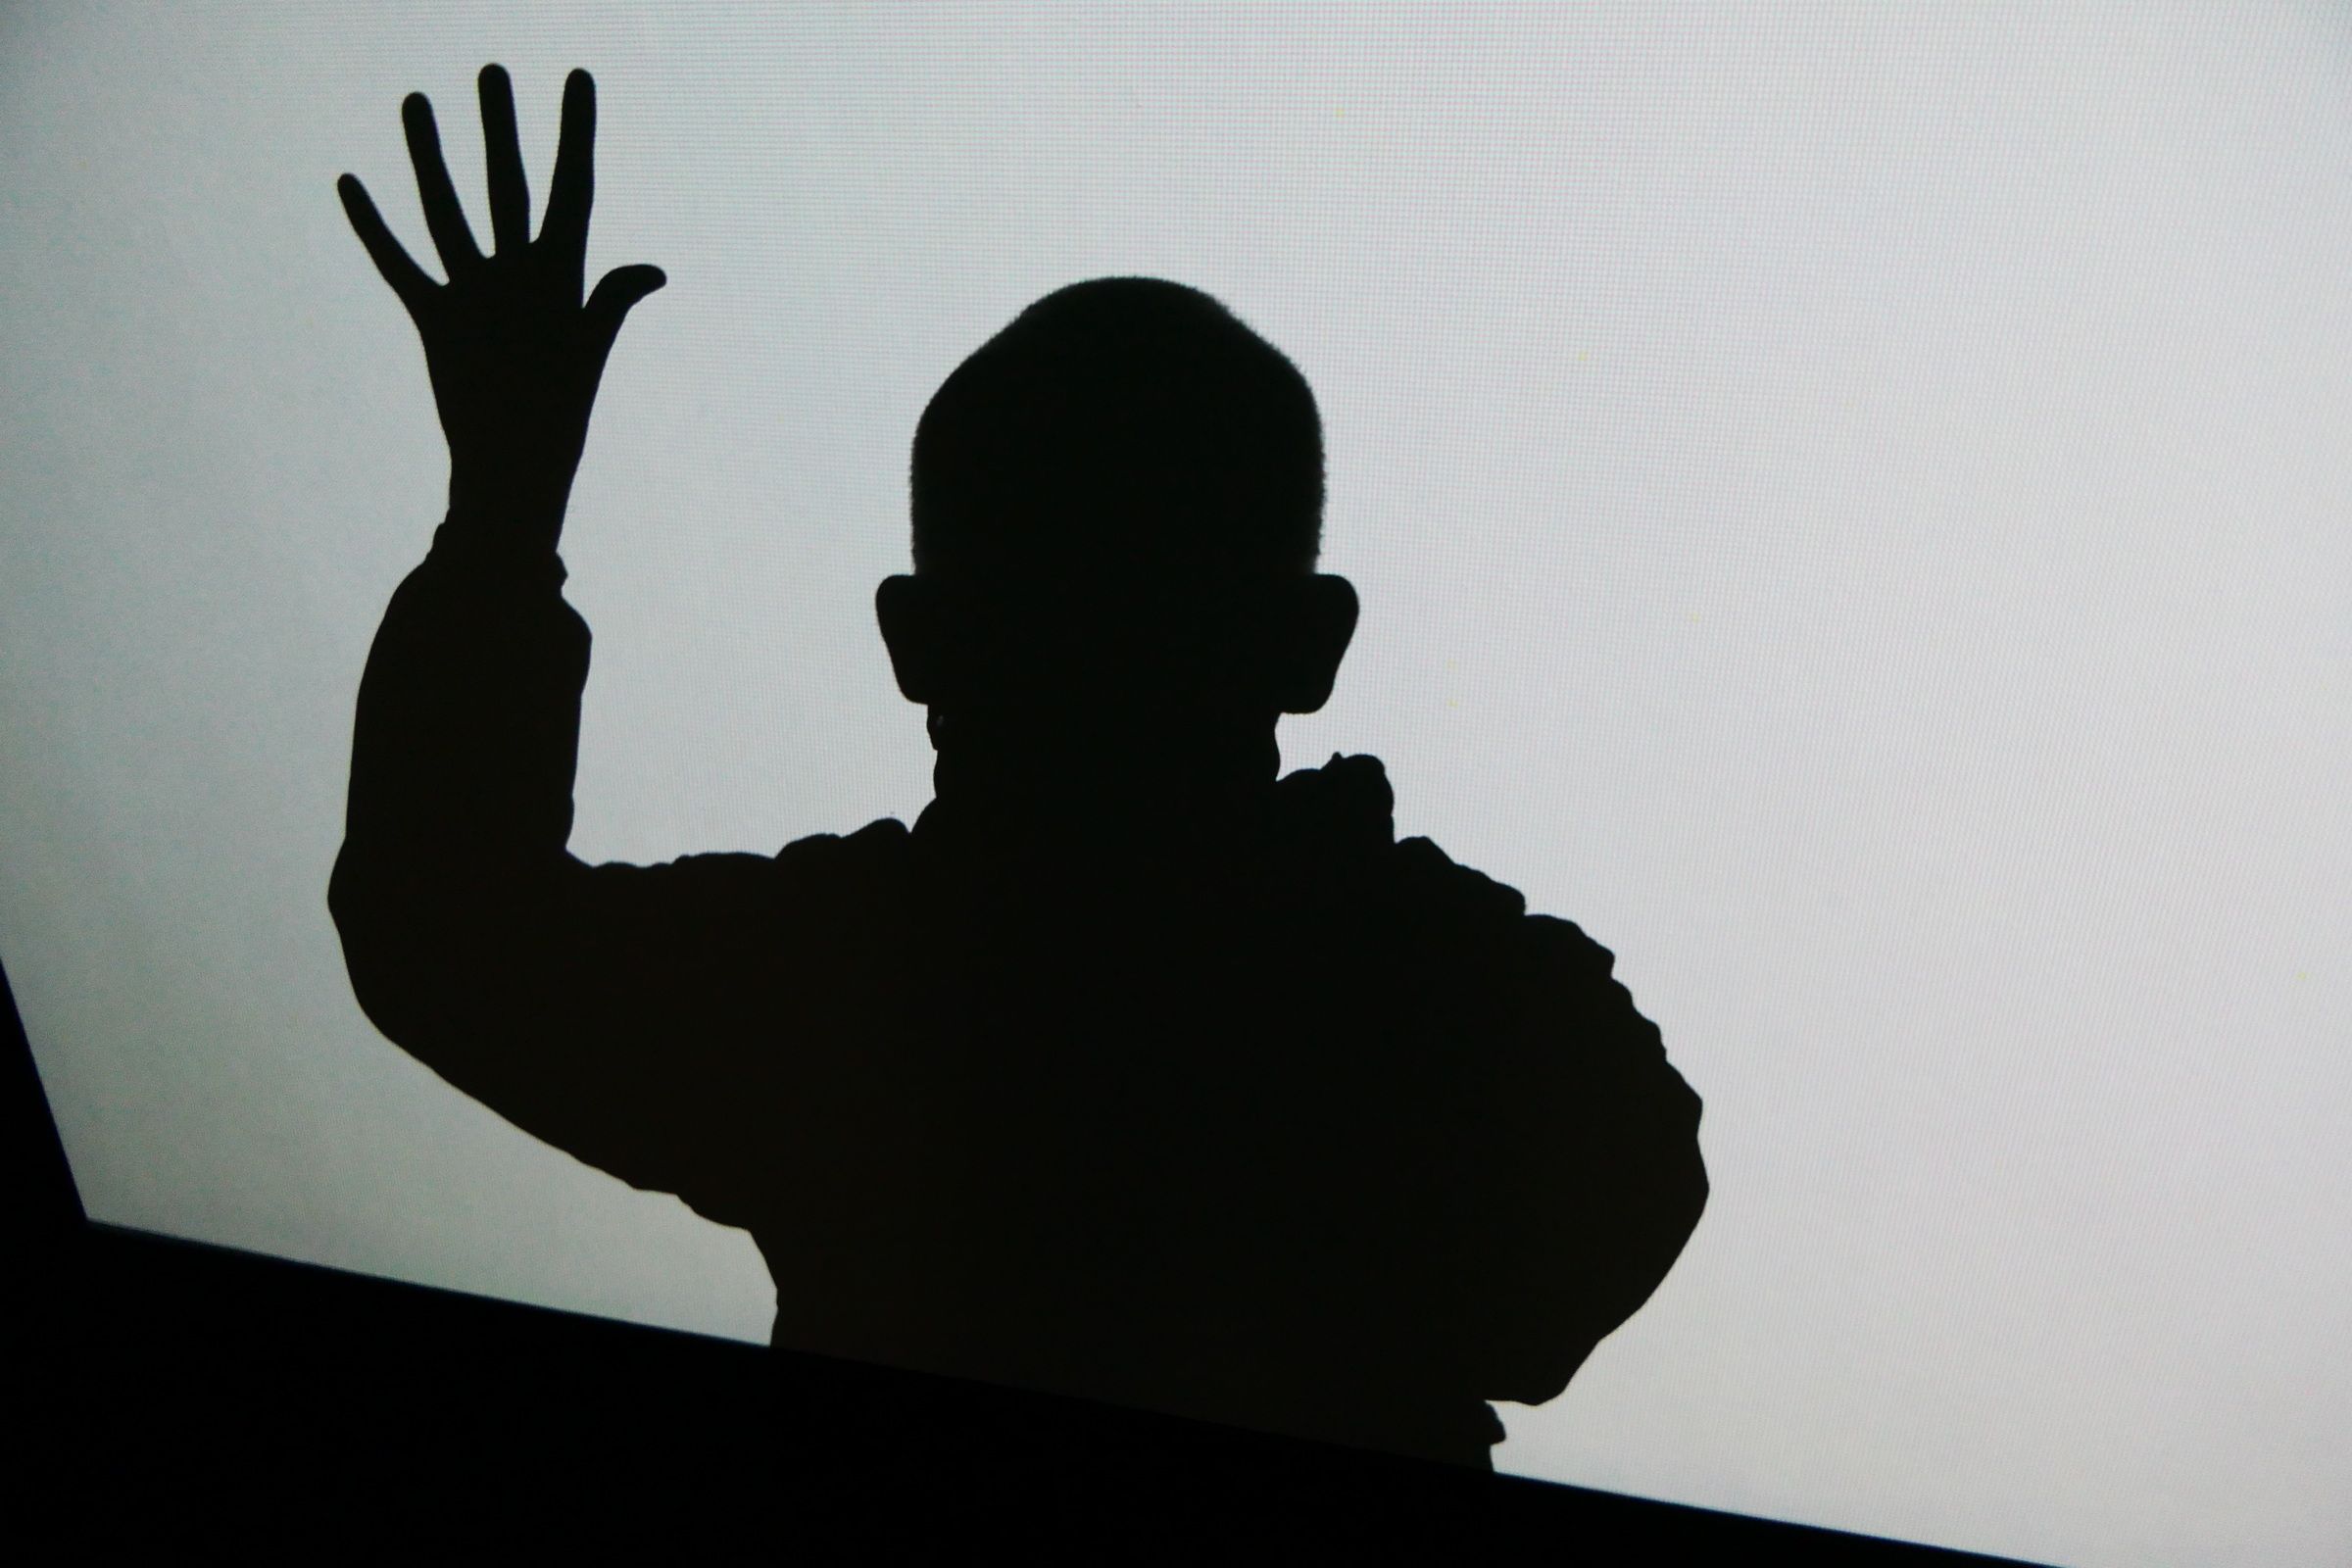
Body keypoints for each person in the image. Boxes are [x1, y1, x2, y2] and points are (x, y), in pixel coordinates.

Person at [328, 65, 1707, 1469]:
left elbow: (444, 935)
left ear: (916, 642)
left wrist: (502, 513)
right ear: (1310, 644)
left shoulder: (843, 984)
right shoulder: (1477, 1006)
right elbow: (1569, 1271)